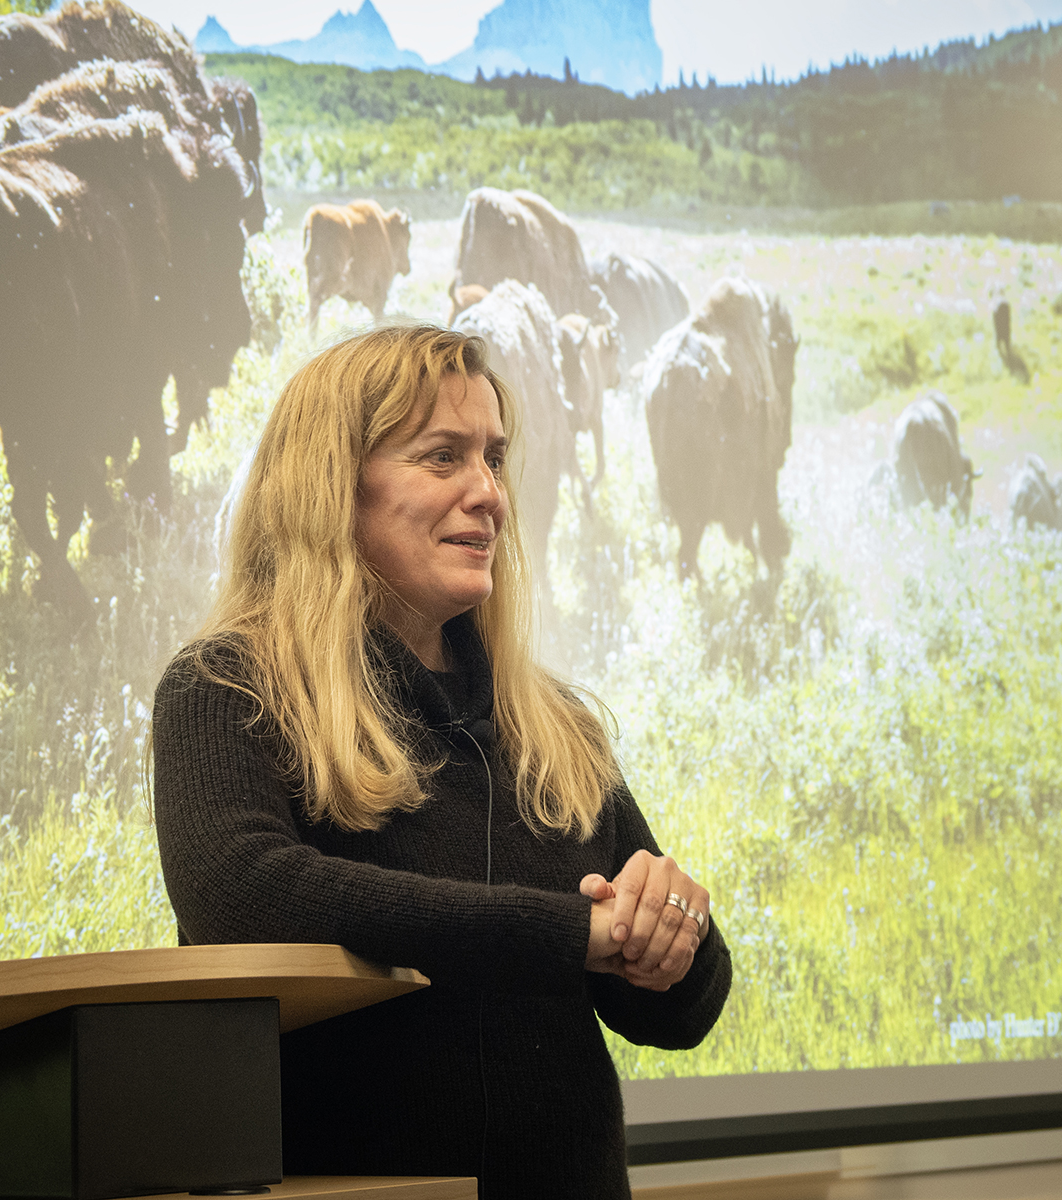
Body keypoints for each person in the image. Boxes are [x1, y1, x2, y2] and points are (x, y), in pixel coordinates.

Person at [151, 324, 732, 1199]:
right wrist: (571, 934)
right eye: (442, 457)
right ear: (331, 485)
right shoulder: (228, 688)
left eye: (494, 458)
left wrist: (673, 931)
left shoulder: (557, 726)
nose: (489, 493)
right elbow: (241, 898)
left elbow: (683, 1011)